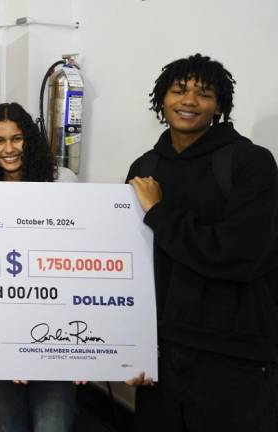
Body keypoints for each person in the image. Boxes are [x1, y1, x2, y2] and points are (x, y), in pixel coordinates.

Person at [126, 53, 278, 431]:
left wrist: (160, 213)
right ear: (162, 100)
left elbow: (239, 255)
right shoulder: (145, 169)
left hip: (233, 357)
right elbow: (130, 265)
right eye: (178, 91)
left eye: (204, 94)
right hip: (160, 354)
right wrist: (126, 347)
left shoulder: (251, 163)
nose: (189, 101)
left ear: (219, 105)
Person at [0, 102, 76, 432]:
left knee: (53, 424)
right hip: (3, 330)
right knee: (8, 424)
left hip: (56, 328)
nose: (9, 149)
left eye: (17, 138)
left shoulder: (63, 183)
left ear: (29, 140)